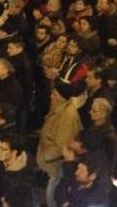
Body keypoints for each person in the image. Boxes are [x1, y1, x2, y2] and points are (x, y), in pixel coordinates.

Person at [37, 79, 83, 207]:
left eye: (55, 95)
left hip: (57, 166)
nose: (51, 97)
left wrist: (46, 156)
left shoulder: (68, 116)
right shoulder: (59, 108)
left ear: (63, 98)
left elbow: (62, 144)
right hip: (52, 165)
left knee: (53, 196)